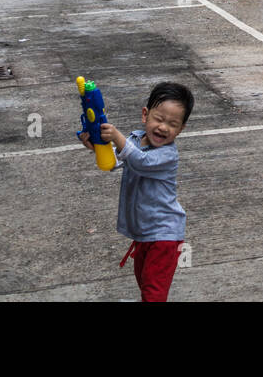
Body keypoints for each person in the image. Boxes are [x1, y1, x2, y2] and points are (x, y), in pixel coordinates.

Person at [81, 81, 193, 302]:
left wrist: (116, 136)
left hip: (164, 233)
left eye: (172, 124)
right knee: (143, 279)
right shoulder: (134, 140)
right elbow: (113, 162)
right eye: (159, 119)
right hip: (144, 231)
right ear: (145, 115)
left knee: (154, 291)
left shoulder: (168, 154)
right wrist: (94, 144)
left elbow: (140, 161)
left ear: (180, 129)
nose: (163, 127)